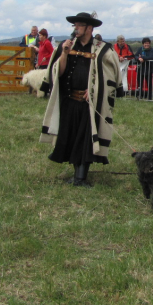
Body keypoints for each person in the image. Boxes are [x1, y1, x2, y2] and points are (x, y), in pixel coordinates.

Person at [40, 12, 123, 187]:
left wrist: (94, 91)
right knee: (71, 136)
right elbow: (58, 73)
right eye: (74, 25)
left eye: (79, 25)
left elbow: (111, 75)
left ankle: (80, 178)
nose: (76, 28)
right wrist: (64, 53)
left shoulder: (103, 49)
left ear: (89, 28)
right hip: (69, 100)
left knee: (85, 138)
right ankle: (76, 173)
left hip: (89, 103)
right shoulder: (65, 46)